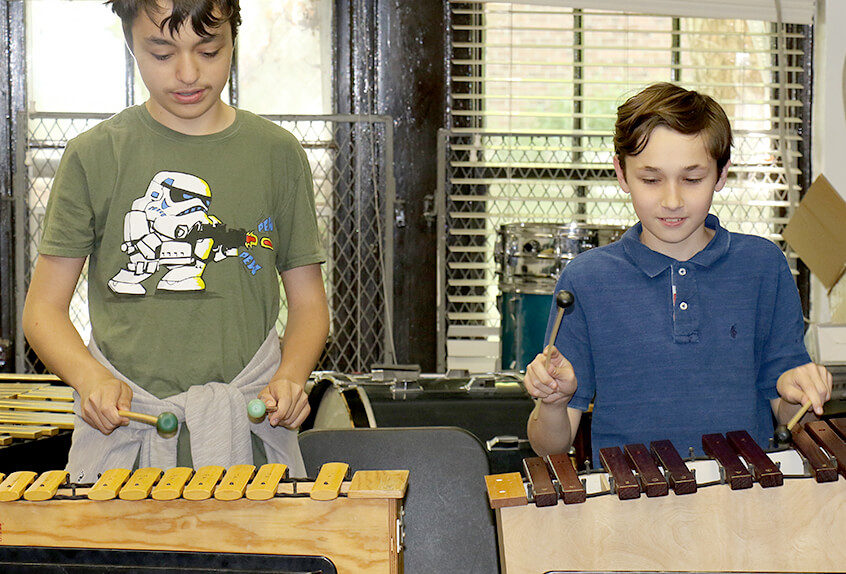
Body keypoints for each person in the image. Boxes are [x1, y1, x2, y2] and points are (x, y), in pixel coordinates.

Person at [22, 0, 329, 480]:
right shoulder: (94, 155)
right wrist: (92, 380)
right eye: (162, 54)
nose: (188, 73)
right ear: (130, 44)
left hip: (249, 433)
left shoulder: (277, 155)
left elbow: (309, 304)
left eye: (209, 50)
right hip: (125, 438)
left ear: (233, 39)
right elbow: (42, 311)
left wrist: (290, 377)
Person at [523, 82, 832, 466]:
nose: (672, 200)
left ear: (721, 174)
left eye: (692, 179)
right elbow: (549, 446)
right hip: (630, 507)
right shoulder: (586, 281)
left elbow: (788, 419)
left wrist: (796, 395)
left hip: (743, 500)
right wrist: (553, 402)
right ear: (621, 173)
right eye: (651, 180)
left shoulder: (763, 266)